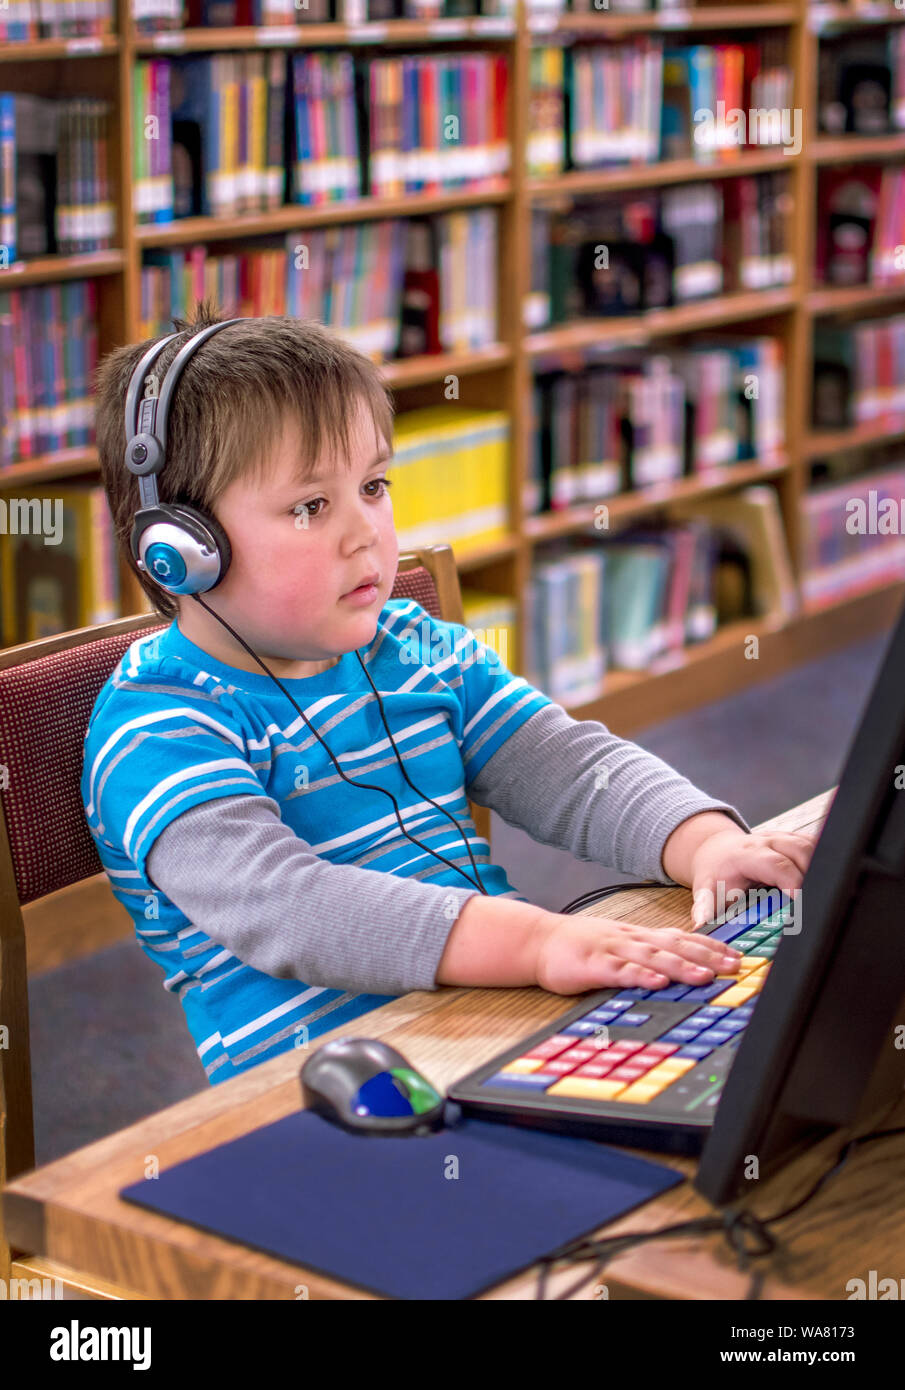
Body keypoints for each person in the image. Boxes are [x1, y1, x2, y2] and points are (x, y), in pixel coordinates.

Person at [82, 301, 816, 1085]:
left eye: (372, 485)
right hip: (323, 1091)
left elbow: (563, 764)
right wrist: (532, 944)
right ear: (180, 551)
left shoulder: (413, 645)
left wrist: (704, 842)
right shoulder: (157, 727)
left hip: (497, 1013)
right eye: (309, 506)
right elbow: (288, 908)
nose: (365, 532)